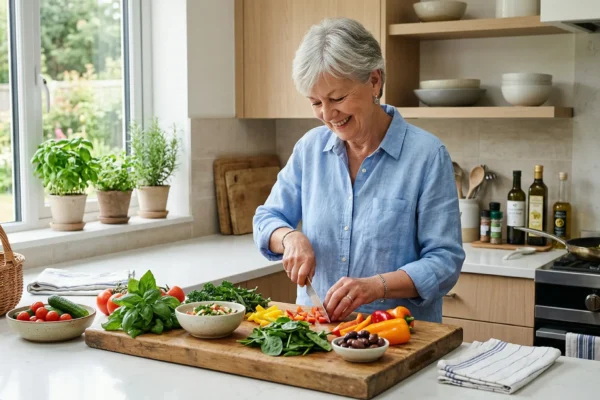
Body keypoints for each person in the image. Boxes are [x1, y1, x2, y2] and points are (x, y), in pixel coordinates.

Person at [253, 17, 465, 323]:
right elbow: (267, 218)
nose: (327, 115)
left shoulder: (427, 156)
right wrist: (290, 239)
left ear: (374, 81)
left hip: (398, 335)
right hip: (317, 332)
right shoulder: (309, 149)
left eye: (337, 98)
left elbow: (445, 262)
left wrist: (375, 287)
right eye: (315, 102)